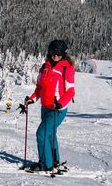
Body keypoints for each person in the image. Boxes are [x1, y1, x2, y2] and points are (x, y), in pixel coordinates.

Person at [24, 39, 75, 172]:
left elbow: (70, 91)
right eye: (53, 52)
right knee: (50, 135)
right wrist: (32, 99)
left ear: (64, 54)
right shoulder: (45, 67)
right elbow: (39, 88)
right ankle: (53, 161)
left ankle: (45, 164)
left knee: (41, 134)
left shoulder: (66, 69)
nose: (55, 56)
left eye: (59, 53)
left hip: (57, 110)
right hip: (45, 108)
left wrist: (60, 103)